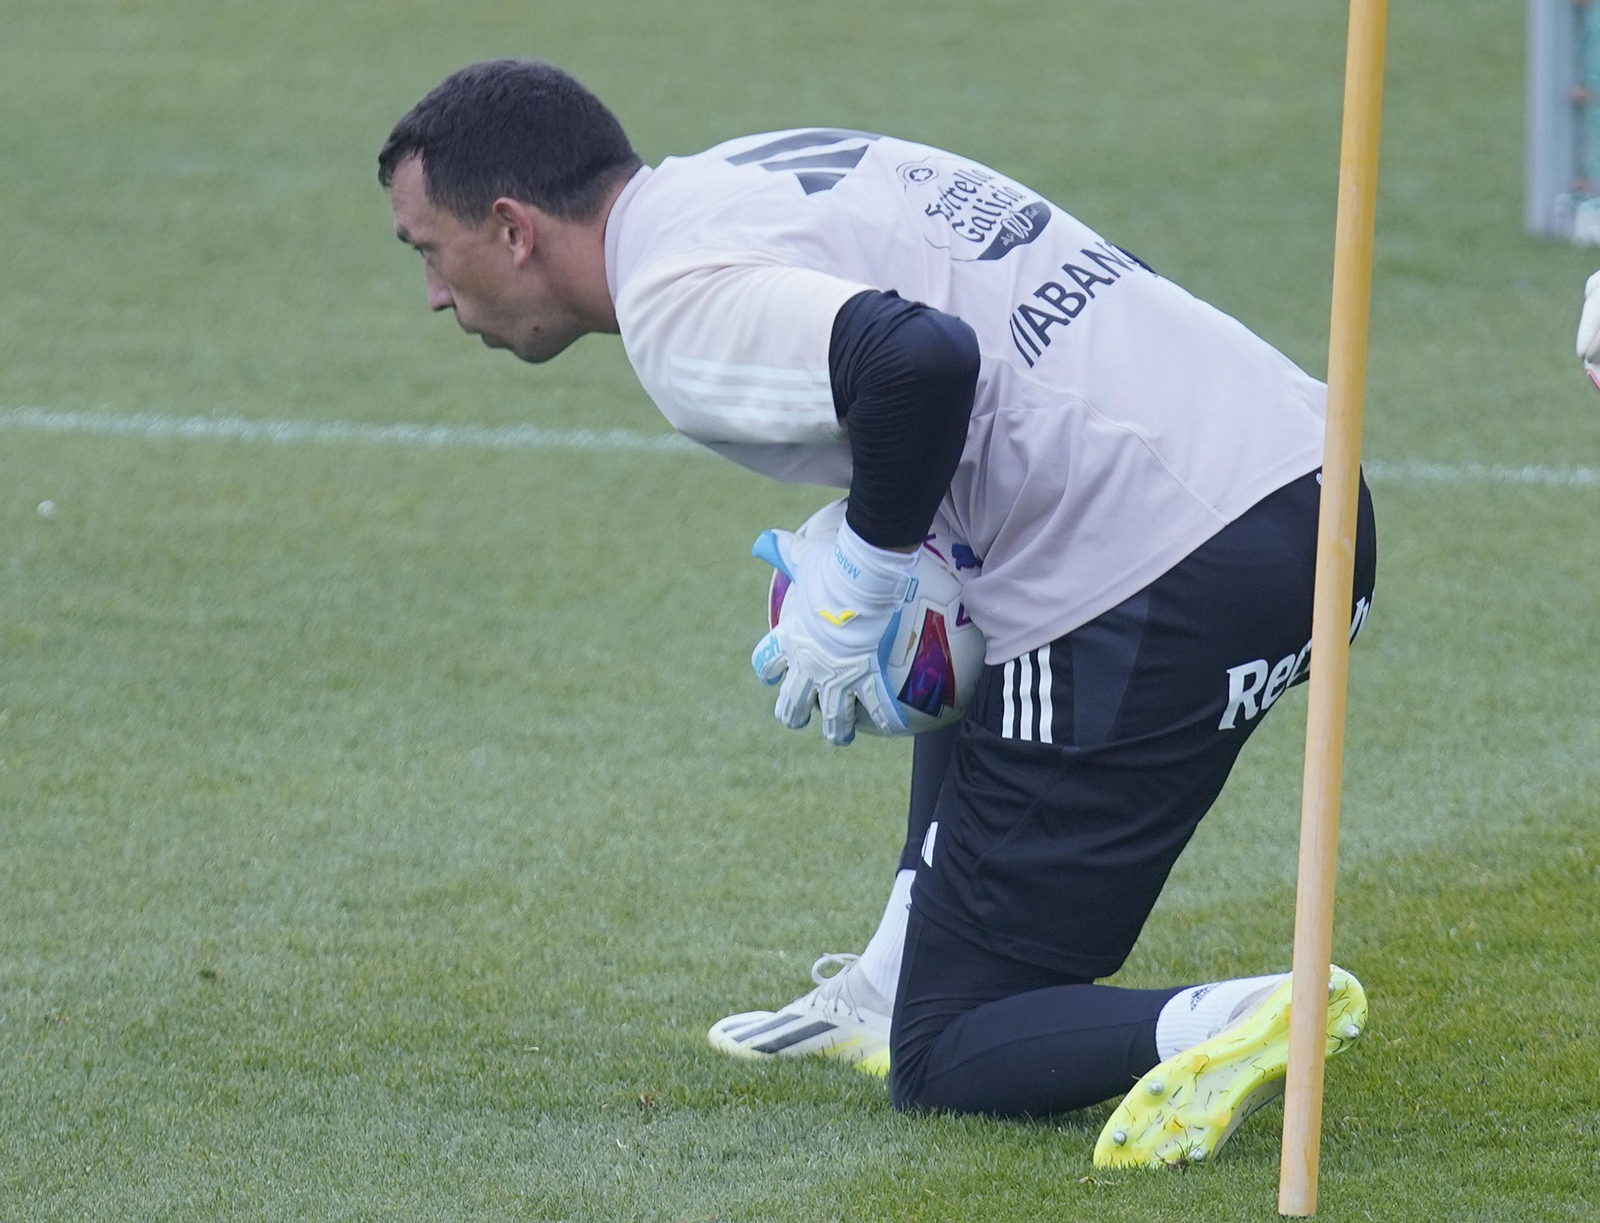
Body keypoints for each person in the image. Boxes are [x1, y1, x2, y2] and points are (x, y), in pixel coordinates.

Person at [378, 58, 1377, 1166]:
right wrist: (896, 550)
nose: (431, 291)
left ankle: (1231, 1016)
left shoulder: (673, 304)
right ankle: (887, 974)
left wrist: (858, 572)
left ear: (512, 228)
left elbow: (919, 359)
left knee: (947, 1050)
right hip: (1302, 478)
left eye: (428, 250)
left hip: (1173, 572)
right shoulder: (744, 170)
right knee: (947, 601)